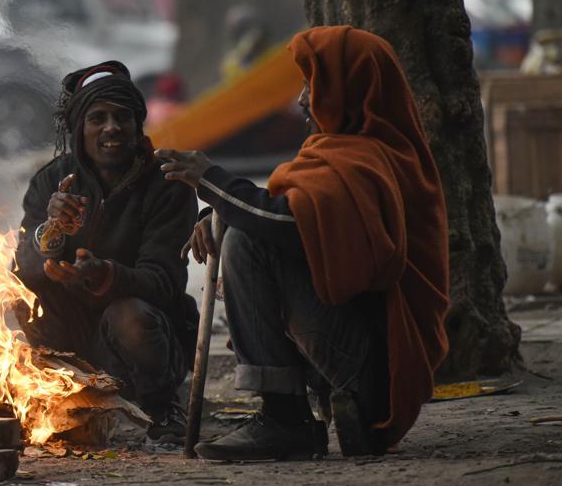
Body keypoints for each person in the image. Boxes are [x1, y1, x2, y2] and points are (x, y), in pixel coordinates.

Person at [156, 26, 449, 460]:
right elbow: (287, 209)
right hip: (363, 355)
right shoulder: (355, 152)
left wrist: (211, 182)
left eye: (313, 84)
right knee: (240, 229)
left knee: (244, 243)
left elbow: (286, 224)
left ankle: (285, 419)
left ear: (347, 88)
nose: (301, 99)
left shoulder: (365, 162)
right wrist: (216, 210)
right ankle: (298, 415)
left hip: (375, 369)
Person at [14, 61, 199, 442]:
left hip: (141, 341)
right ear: (80, 130)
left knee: (129, 315)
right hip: (68, 333)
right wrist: (50, 234)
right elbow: (23, 269)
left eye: (122, 117)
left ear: (137, 125)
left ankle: (162, 408)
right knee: (6, 312)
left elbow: (164, 281)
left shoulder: (168, 183)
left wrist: (103, 275)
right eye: (97, 118)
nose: (111, 128)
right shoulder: (51, 180)